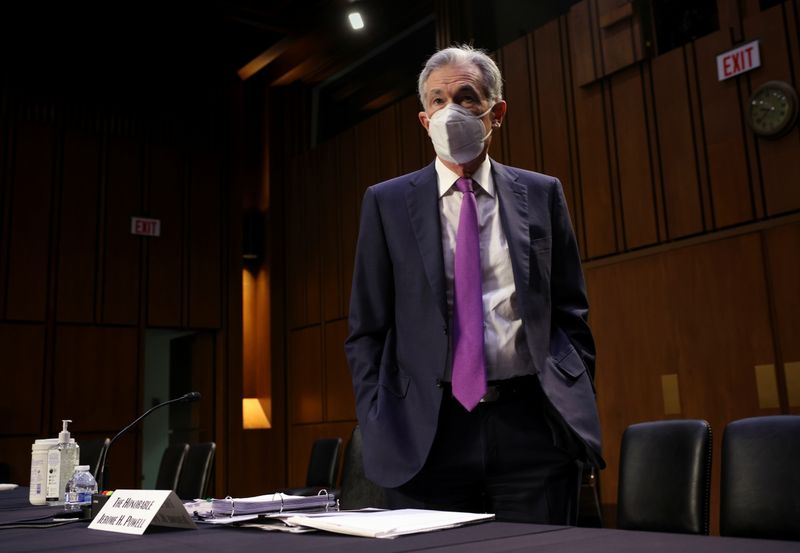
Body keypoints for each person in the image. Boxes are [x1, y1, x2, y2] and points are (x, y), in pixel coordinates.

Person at [344, 44, 603, 524]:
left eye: (466, 97)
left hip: (531, 423)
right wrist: (377, 414)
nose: (451, 111)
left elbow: (570, 309)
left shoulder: (543, 193)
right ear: (424, 120)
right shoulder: (386, 203)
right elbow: (367, 326)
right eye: (437, 101)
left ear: (496, 112)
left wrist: (573, 385)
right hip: (425, 430)